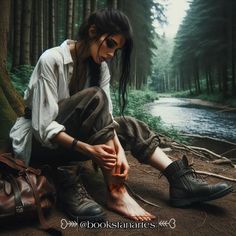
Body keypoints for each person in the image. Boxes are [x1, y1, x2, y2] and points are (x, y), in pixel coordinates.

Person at [10, 8, 233, 222]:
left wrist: (119, 151)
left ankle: (179, 181)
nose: (110, 54)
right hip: (39, 143)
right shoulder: (52, 59)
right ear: (92, 31)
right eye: (110, 44)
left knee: (128, 124)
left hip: (71, 139)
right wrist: (89, 149)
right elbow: (43, 127)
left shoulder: (100, 69)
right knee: (95, 96)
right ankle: (116, 193)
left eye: (116, 50)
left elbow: (106, 117)